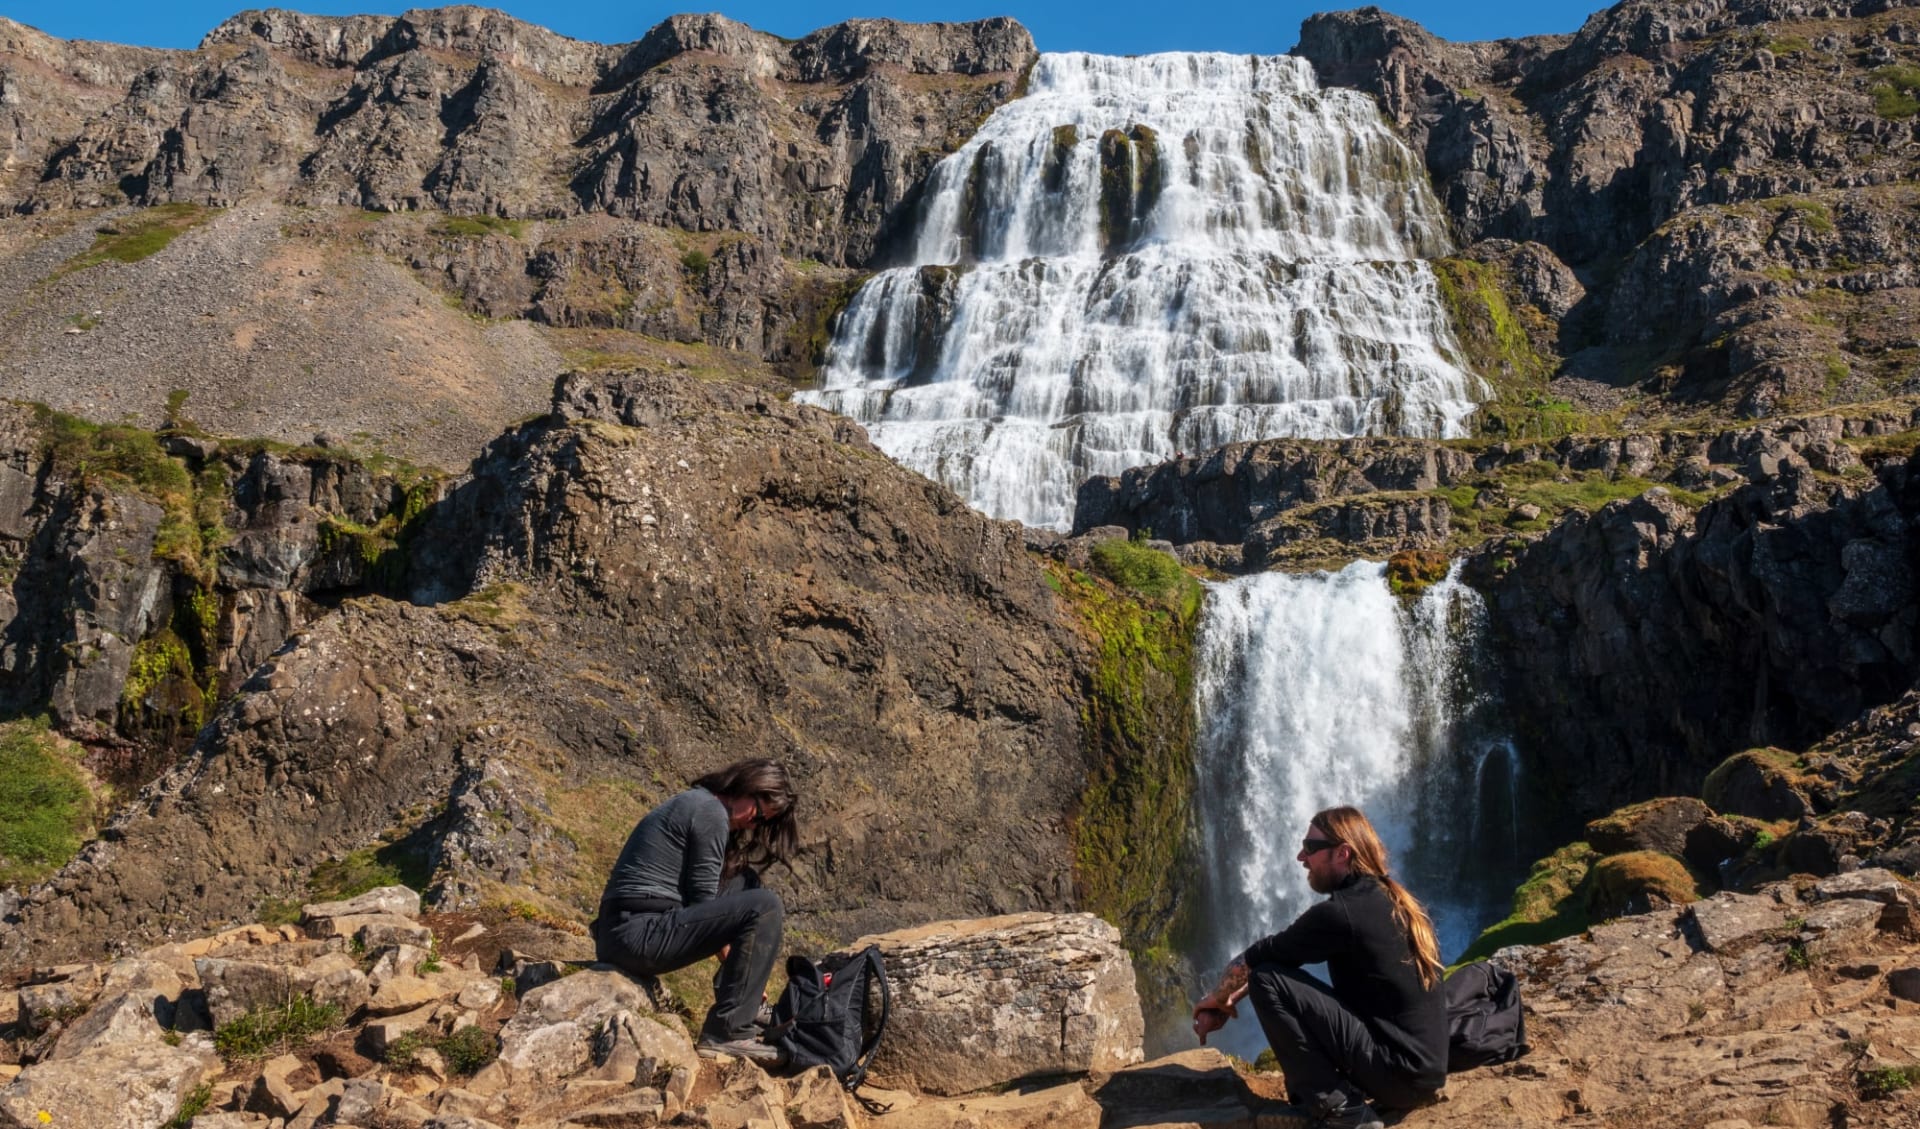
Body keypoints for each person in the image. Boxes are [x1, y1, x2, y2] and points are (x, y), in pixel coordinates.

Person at [1192, 806, 1447, 1129]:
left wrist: (1215, 999)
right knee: (1269, 973)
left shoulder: (1340, 914)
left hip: (1397, 1077)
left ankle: (1343, 1112)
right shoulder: (1395, 900)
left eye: (1310, 847)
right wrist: (1227, 1000)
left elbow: (1257, 958)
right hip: (1424, 1072)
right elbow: (1276, 956)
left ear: (1342, 853)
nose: (1301, 857)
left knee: (1267, 980)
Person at [593, 758, 797, 1063]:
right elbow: (704, 905)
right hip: (637, 933)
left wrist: (746, 981)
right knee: (766, 906)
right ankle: (727, 1031)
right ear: (748, 788)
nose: (753, 825)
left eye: (762, 823)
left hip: (623, 930)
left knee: (745, 884)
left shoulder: (700, 802)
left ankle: (742, 1005)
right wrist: (742, 974)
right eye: (757, 815)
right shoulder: (710, 812)